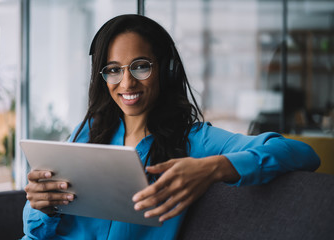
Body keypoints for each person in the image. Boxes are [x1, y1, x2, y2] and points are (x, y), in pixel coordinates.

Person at [22, 14, 320, 239]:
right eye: (113, 70)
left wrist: (214, 168)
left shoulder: (195, 141)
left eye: (141, 66)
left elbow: (302, 153)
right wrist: (40, 205)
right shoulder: (87, 132)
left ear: (166, 69)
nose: (126, 83)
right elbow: (35, 232)